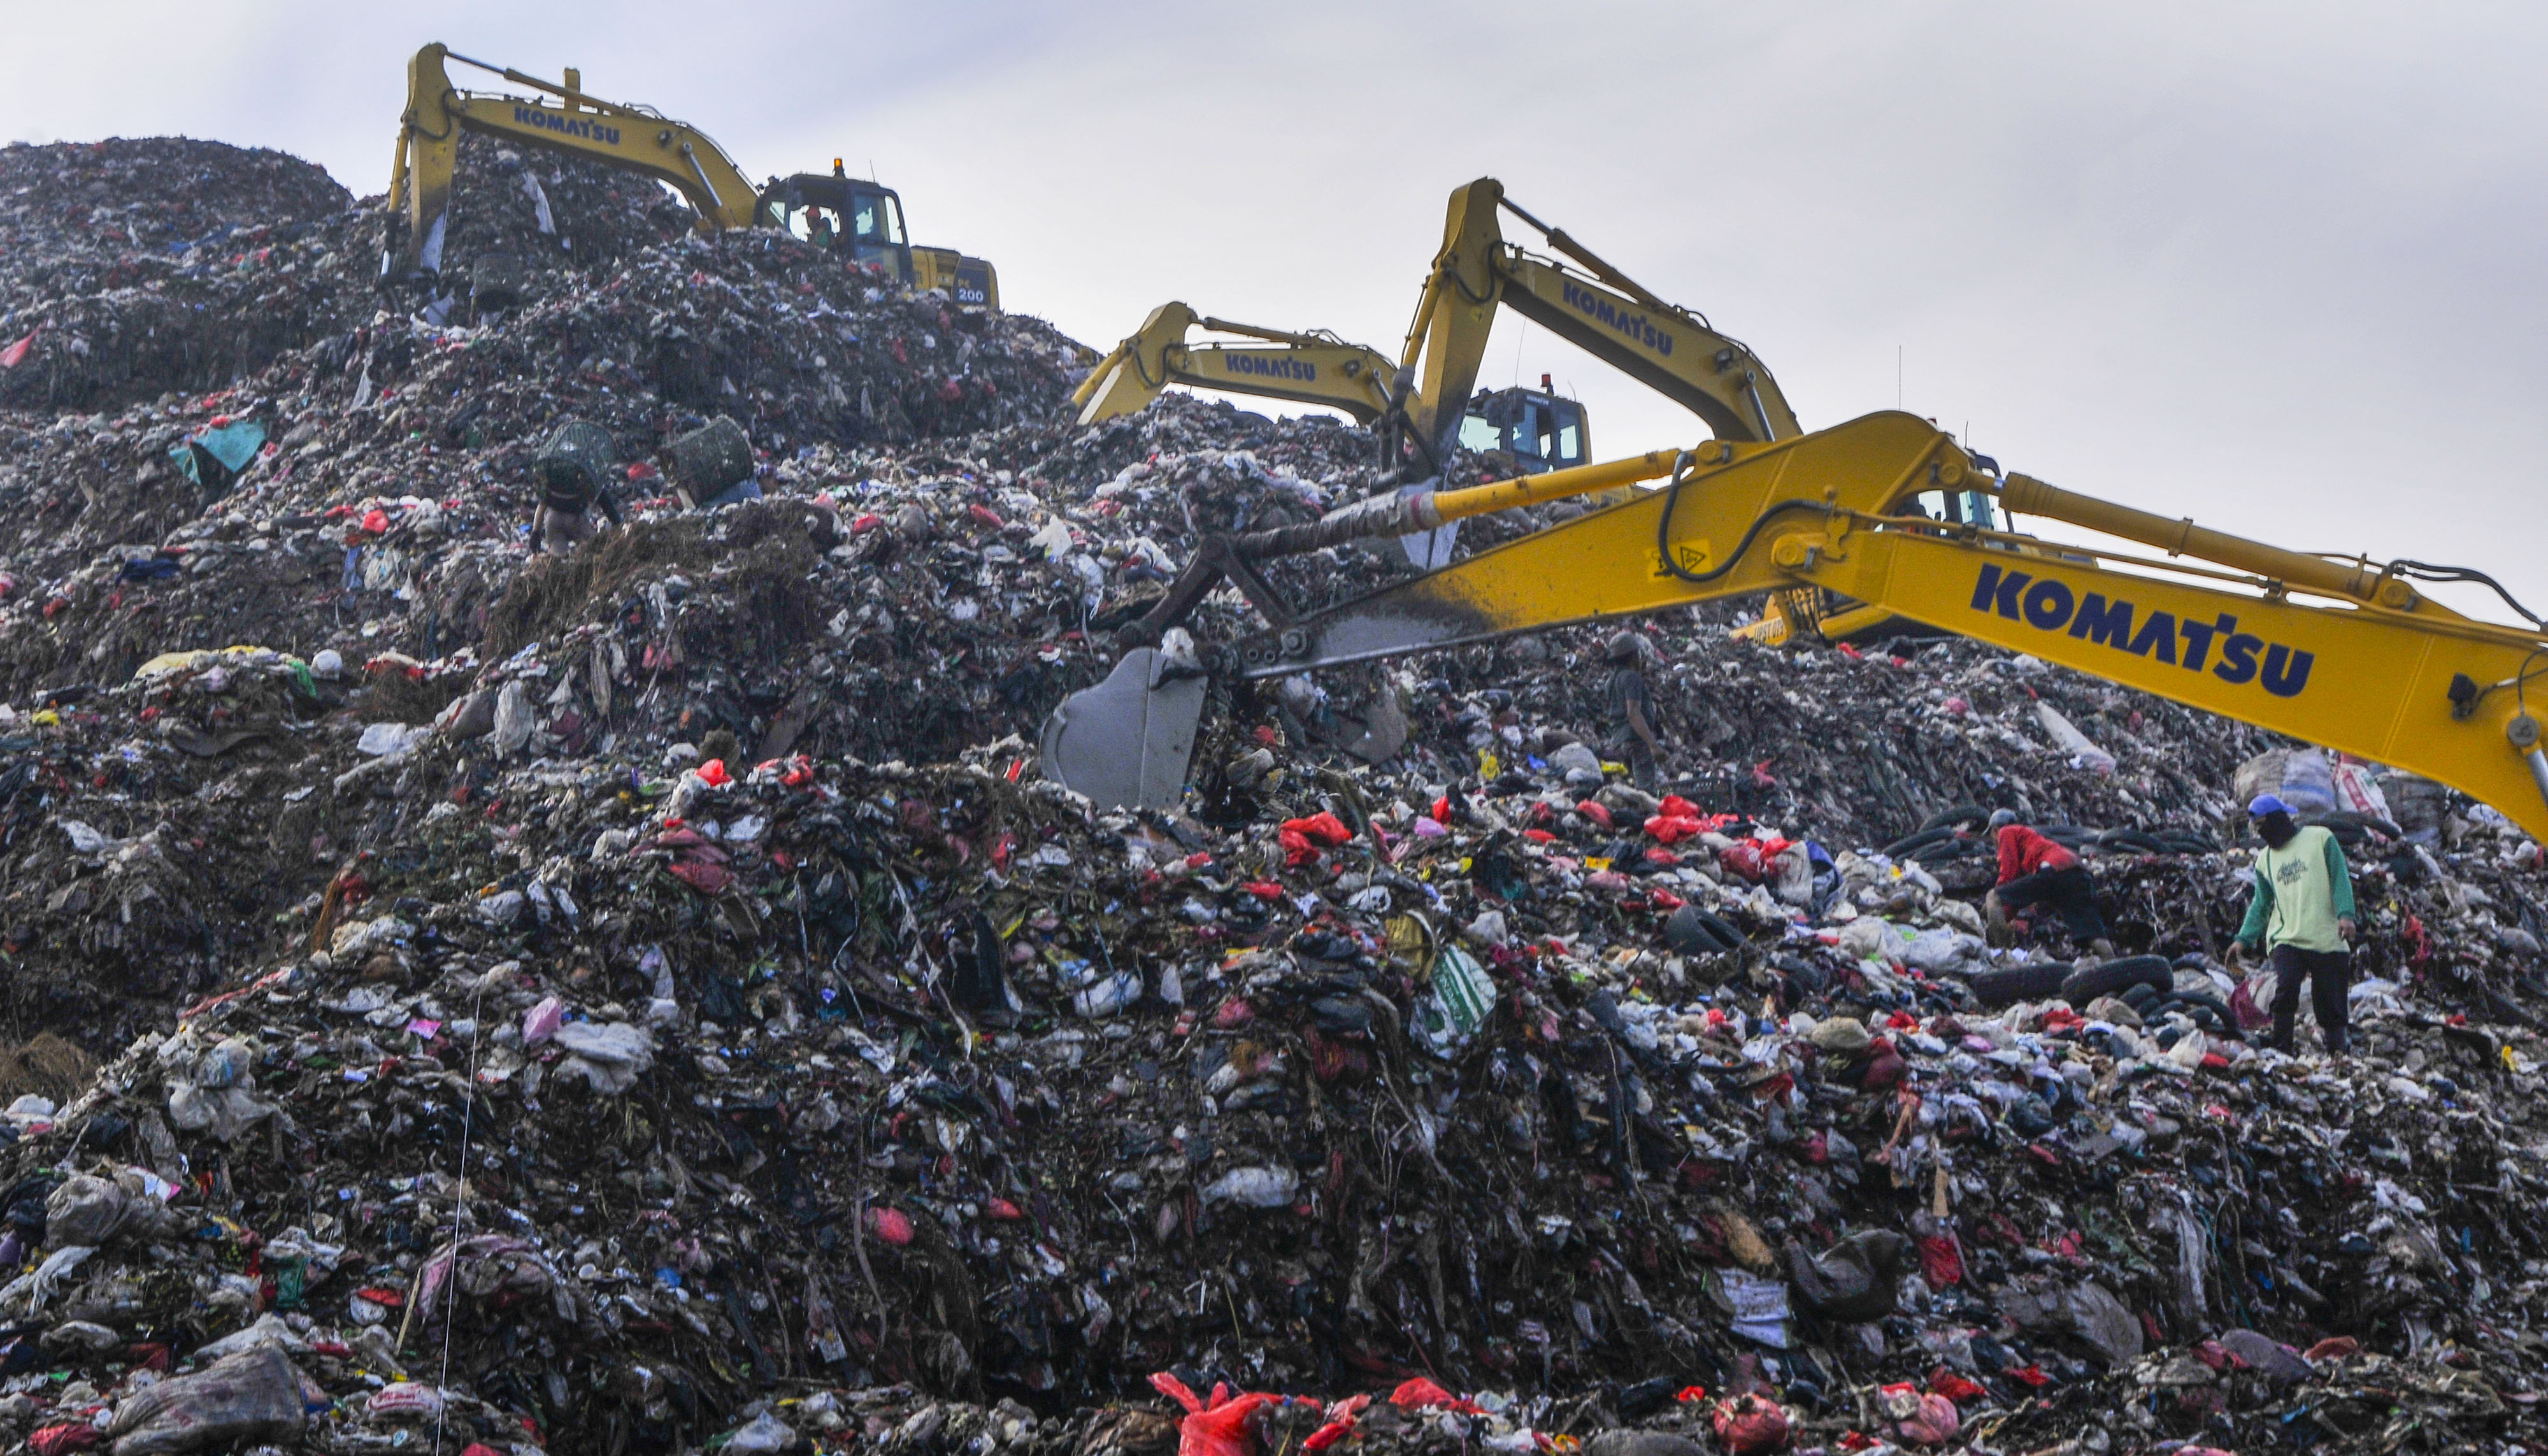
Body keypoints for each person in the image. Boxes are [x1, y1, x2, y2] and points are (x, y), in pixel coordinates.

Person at [2233, 793, 2357, 1055]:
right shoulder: (2264, 860)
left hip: (2327, 936)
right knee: (2286, 989)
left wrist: (2346, 914)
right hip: (2287, 936)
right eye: (2256, 829)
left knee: (2330, 1002)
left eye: (2262, 826)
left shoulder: (2320, 839)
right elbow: (2261, 903)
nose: (2260, 833)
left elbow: (2340, 877)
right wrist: (2243, 938)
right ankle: (2282, 1052)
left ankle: (2338, 1054)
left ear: (2278, 820)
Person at [1985, 811, 2113, 955]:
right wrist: (2007, 913)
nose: (1995, 844)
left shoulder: (2006, 831)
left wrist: (1996, 916)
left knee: (1993, 897)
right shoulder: (2031, 839)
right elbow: (2018, 892)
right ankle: (2113, 965)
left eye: (1991, 837)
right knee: (2093, 933)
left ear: (1995, 830)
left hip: (2053, 872)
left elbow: (2008, 875)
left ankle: (2001, 957)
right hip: (2079, 872)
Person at [530, 419, 624, 556]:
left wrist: (535, 533)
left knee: (558, 558)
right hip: (576, 521)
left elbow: (542, 504)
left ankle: (559, 570)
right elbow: (606, 503)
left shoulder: (552, 474)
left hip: (553, 521)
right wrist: (618, 525)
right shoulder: (587, 475)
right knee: (596, 552)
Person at [1602, 632, 1662, 790]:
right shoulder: (1631, 677)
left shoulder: (1611, 681)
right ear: (1633, 655)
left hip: (1619, 742)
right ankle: (1646, 815)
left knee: (1633, 789)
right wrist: (1652, 744)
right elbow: (1633, 713)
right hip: (1636, 741)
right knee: (1645, 791)